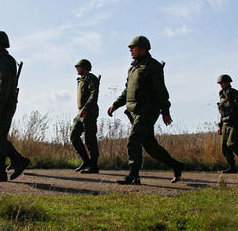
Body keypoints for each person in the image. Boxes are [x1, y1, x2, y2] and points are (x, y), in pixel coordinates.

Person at [107, 35, 183, 184]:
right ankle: (176, 165)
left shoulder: (153, 66)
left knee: (133, 139)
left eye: (132, 47)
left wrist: (165, 111)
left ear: (142, 49)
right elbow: (127, 91)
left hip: (148, 110)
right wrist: (115, 105)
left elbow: (161, 91)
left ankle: (133, 175)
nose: (130, 50)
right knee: (150, 146)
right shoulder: (132, 68)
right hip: (135, 111)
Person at [0, 31, 30, 181]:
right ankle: (0, 170)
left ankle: (19, 160)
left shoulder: (4, 60)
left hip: (4, 103)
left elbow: (4, 85)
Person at [70, 59, 100, 173]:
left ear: (85, 67)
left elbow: (94, 94)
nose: (76, 68)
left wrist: (86, 108)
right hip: (80, 112)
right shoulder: (81, 80)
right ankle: (86, 161)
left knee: (90, 139)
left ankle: (93, 166)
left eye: (78, 66)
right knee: (73, 136)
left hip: (89, 112)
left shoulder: (91, 78)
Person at [217, 74, 238, 173]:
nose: (221, 85)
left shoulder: (234, 93)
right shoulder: (222, 95)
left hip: (235, 122)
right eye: (220, 83)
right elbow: (222, 112)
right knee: (224, 146)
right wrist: (220, 125)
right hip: (225, 123)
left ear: (228, 83)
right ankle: (231, 167)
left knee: (231, 144)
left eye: (223, 83)